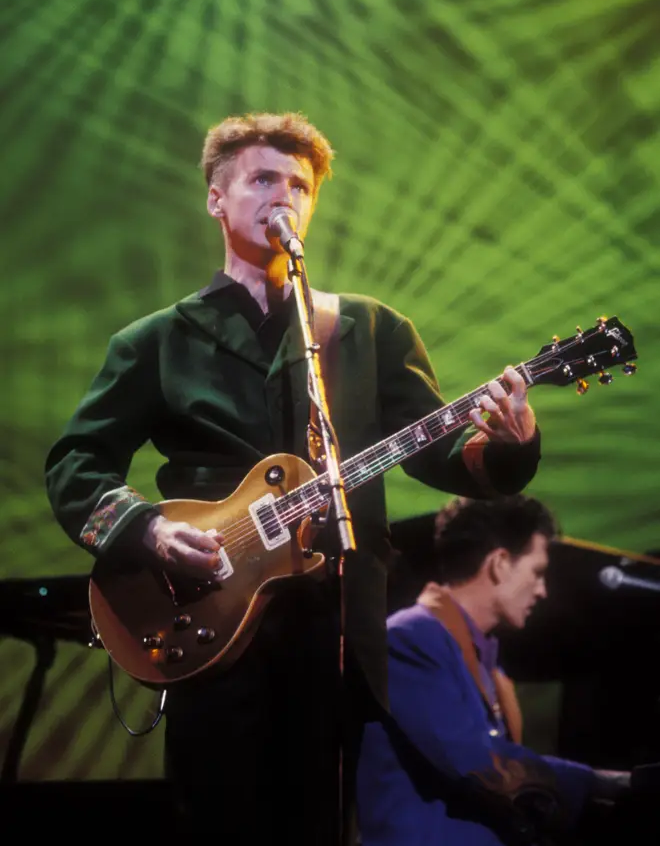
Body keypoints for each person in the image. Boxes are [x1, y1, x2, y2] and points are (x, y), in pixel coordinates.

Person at [45, 112, 542, 845]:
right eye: (263, 179)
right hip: (209, 621)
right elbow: (75, 463)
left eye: (300, 184)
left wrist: (510, 440)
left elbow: (440, 454)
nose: (285, 196)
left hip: (336, 626)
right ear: (217, 197)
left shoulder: (369, 330)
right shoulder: (157, 341)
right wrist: (147, 527)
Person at [357, 494, 631, 846]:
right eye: (537, 572)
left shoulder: (477, 653)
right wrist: (610, 787)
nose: (543, 590)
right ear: (500, 563)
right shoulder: (410, 639)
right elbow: (479, 762)